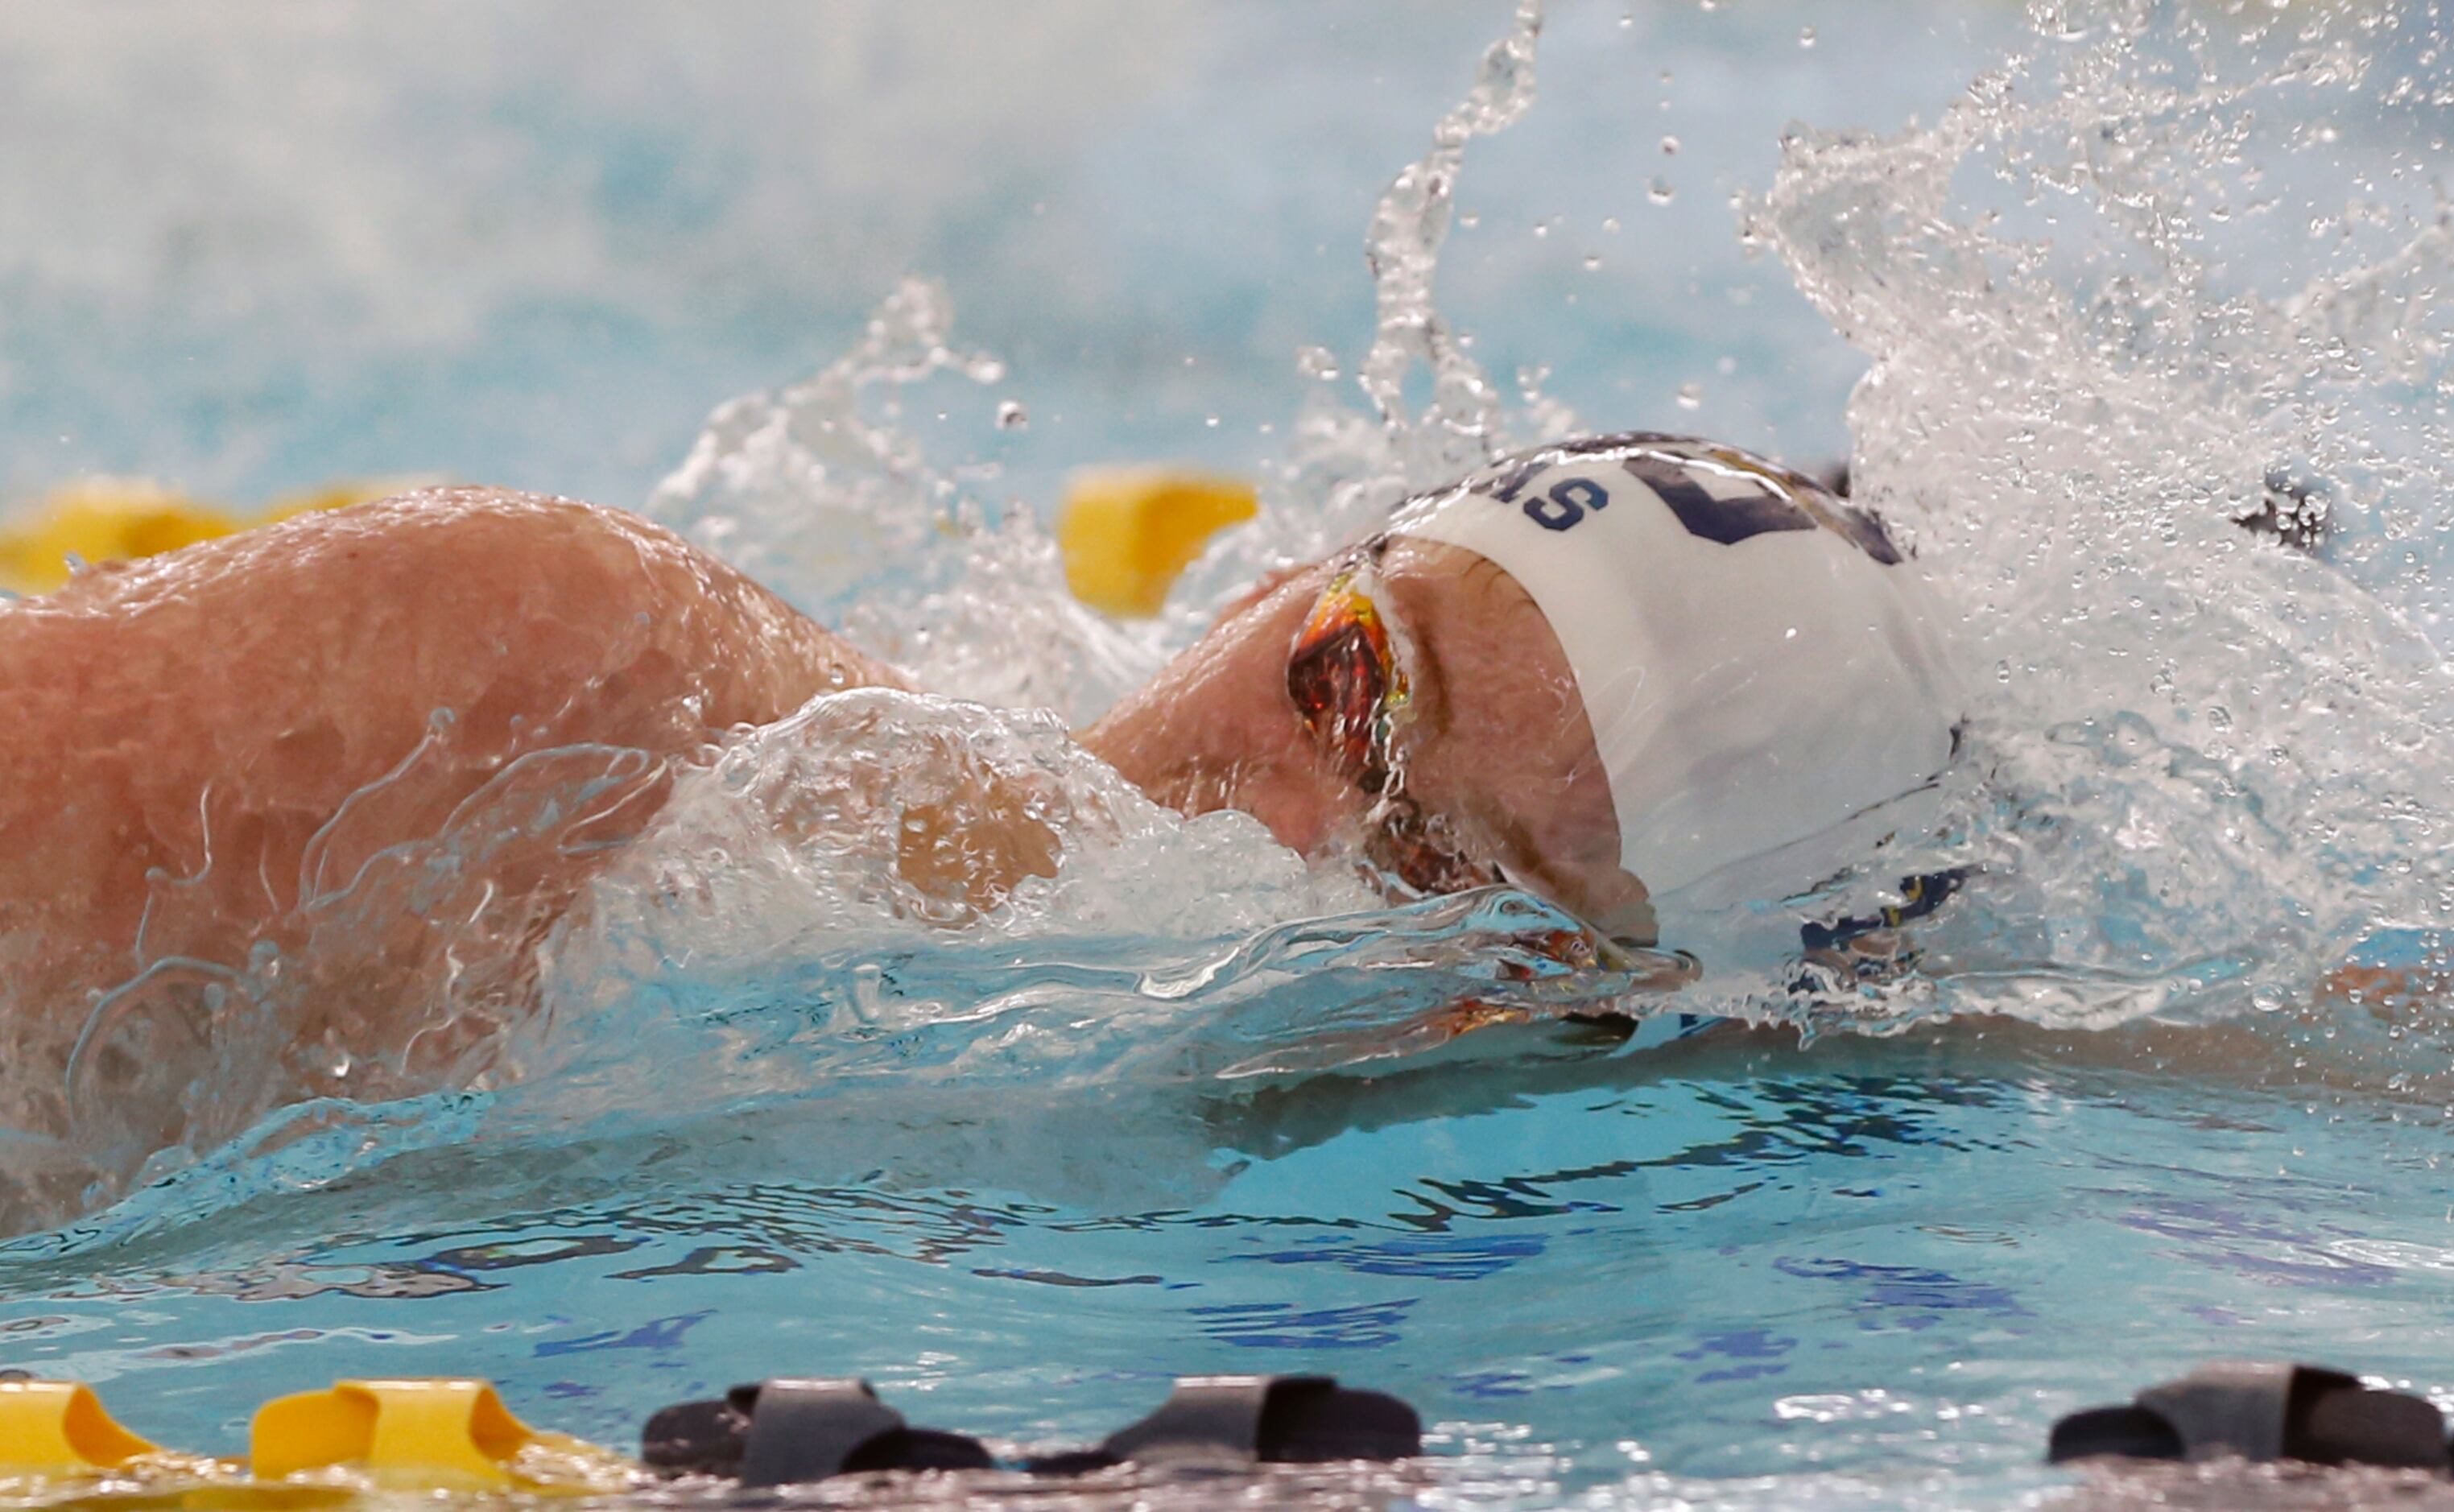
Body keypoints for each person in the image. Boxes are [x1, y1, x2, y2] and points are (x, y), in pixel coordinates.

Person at [0, 434, 1960, 1131]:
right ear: (1289, 582)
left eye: (1434, 871)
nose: (1287, 821)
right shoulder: (533, 674)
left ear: (1555, 1010)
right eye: (1347, 682)